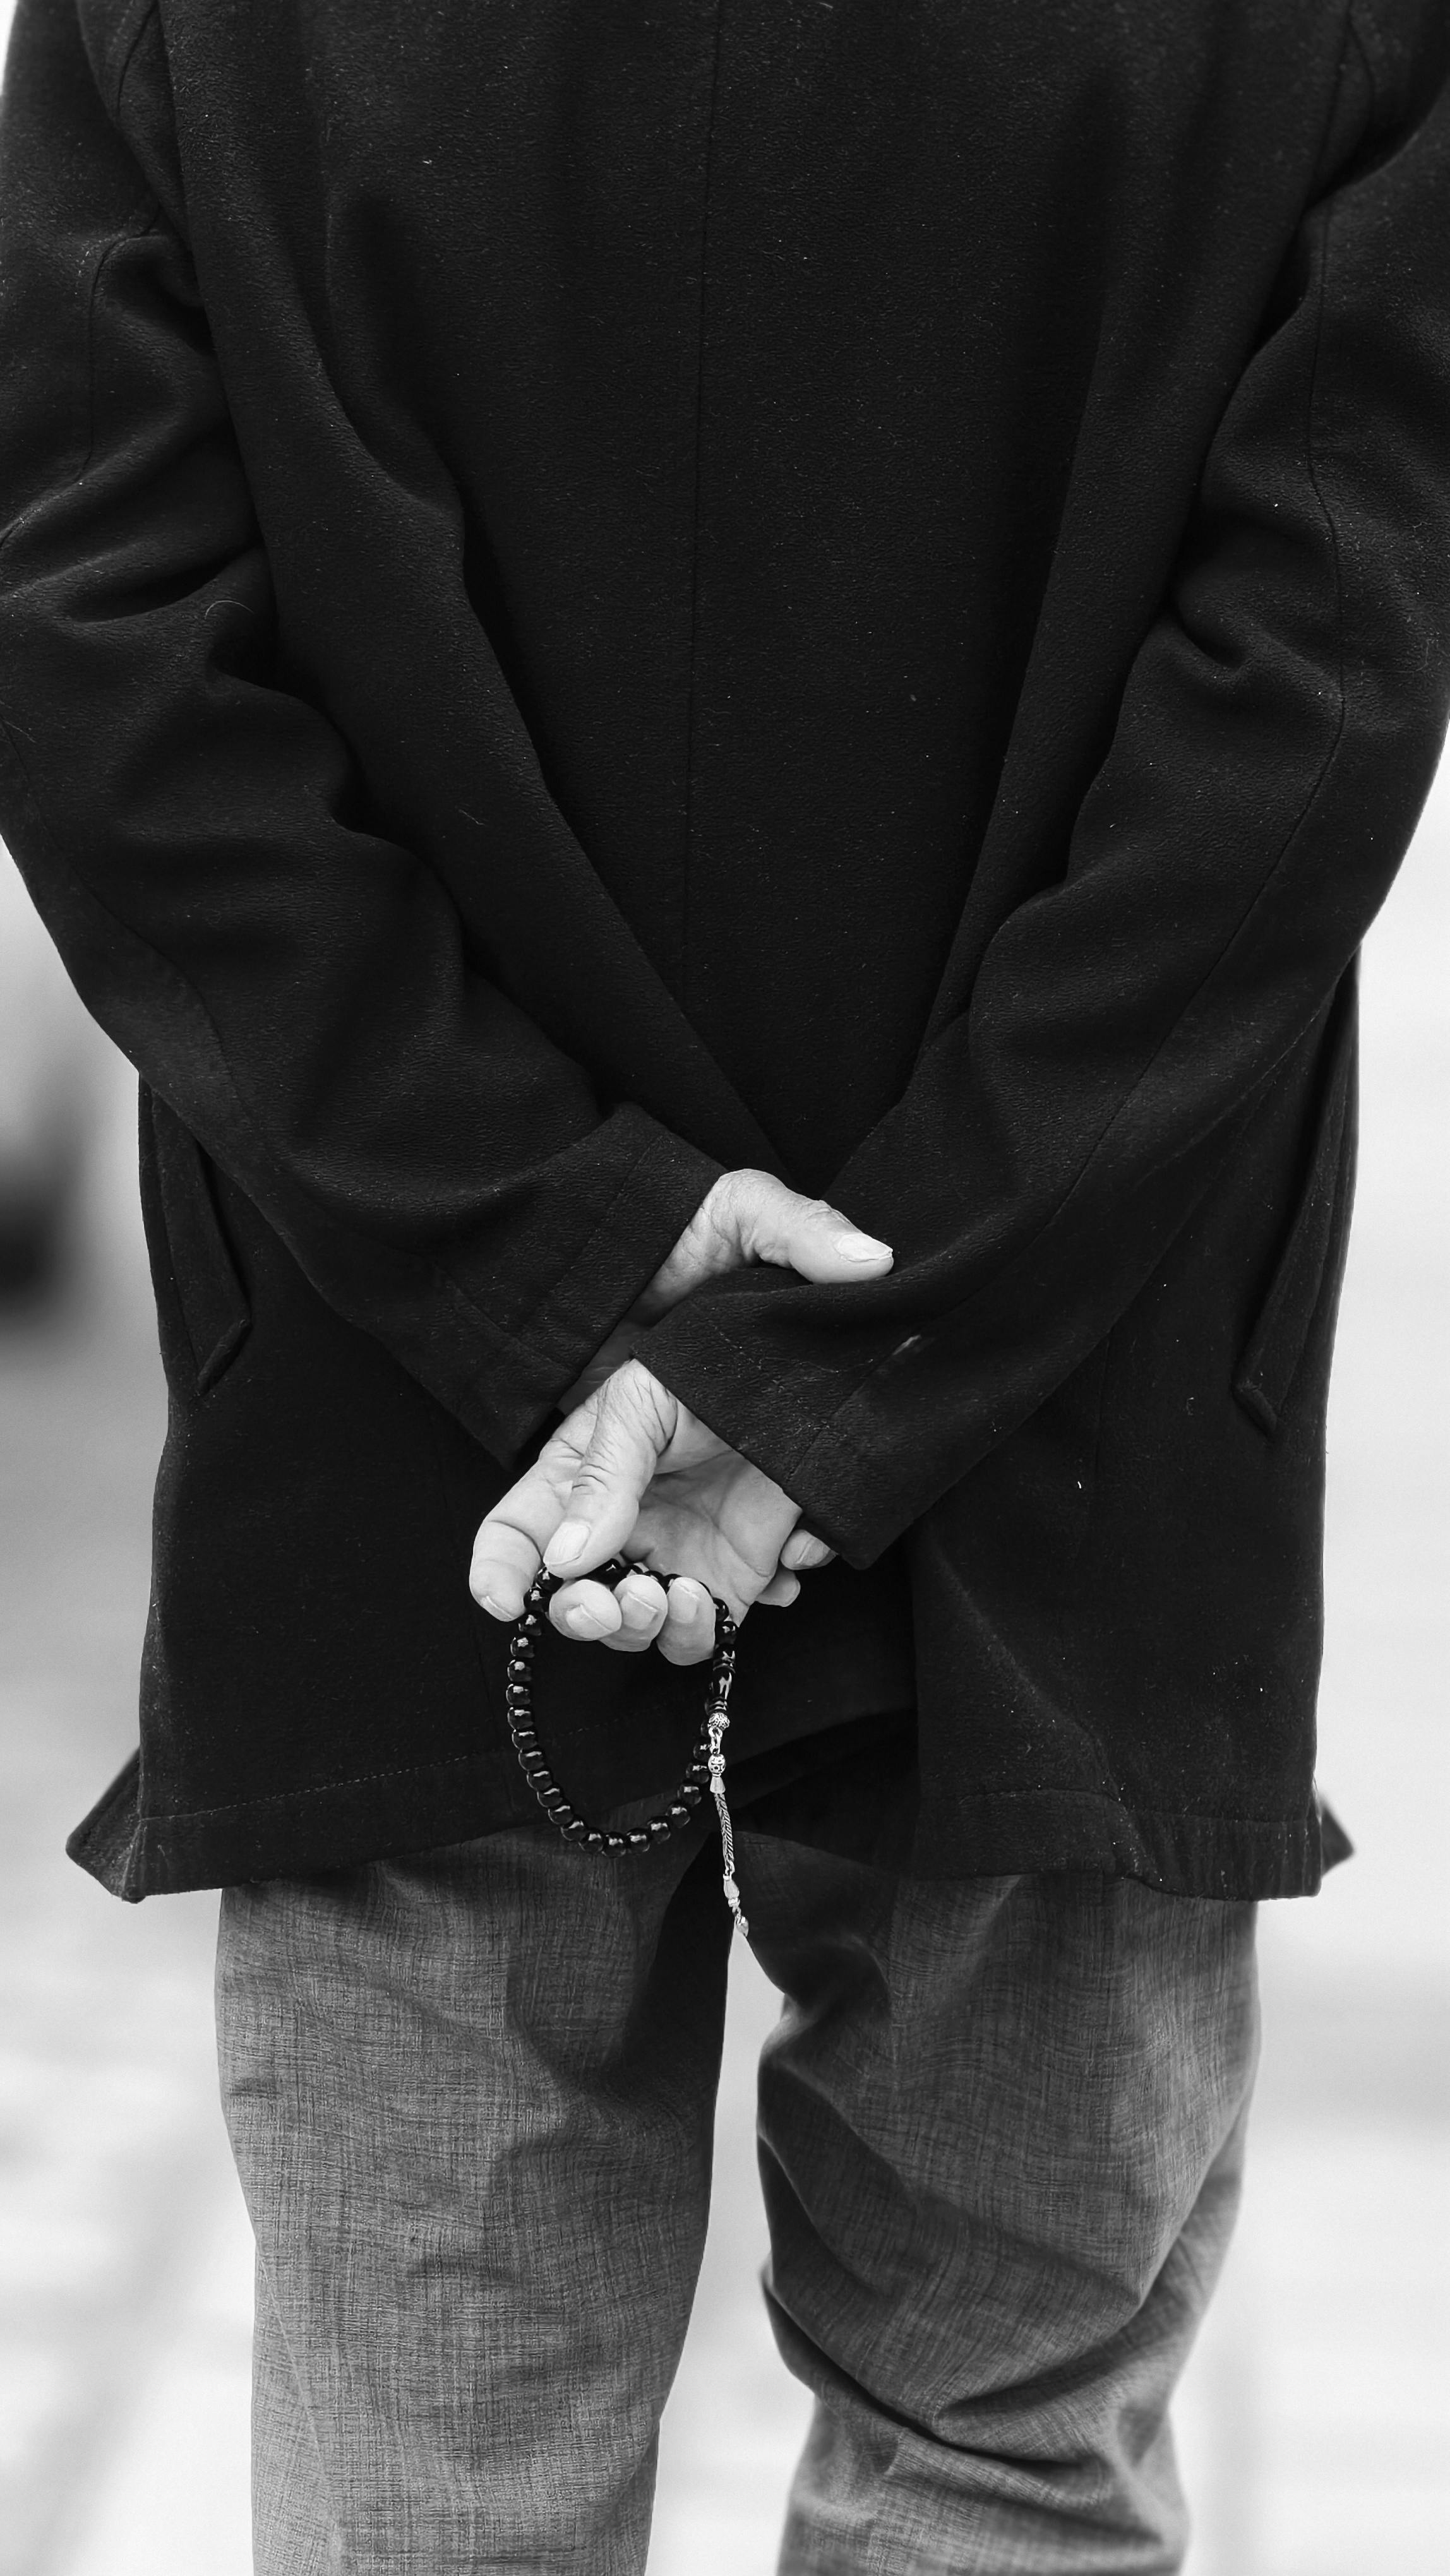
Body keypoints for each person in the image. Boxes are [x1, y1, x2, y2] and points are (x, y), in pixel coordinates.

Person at [0, 0, 1446, 2565]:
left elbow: (95, 650)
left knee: (428, 2484)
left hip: (415, 1423)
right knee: (1001, 2455)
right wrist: (868, 1339)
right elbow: (1308, 694)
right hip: (1059, 1398)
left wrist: (551, 1243)